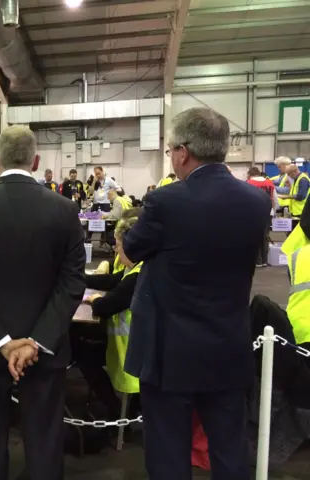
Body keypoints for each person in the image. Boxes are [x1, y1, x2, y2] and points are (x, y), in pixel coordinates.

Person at [122, 107, 271, 480]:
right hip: (228, 347)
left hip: (170, 354)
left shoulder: (166, 201)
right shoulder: (256, 202)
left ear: (183, 152)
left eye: (171, 149)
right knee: (230, 452)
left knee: (169, 454)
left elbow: (132, 251)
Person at [0, 126, 85, 480]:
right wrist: (36, 341)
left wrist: (2, 343)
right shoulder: (65, 210)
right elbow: (72, 283)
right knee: (44, 442)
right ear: (36, 161)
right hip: (46, 347)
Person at [72, 215, 142, 418]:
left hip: (131, 350)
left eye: (119, 246)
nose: (116, 251)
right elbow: (112, 280)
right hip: (131, 345)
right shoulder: (138, 268)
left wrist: (93, 300)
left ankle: (115, 413)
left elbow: (105, 306)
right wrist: (79, 279)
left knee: (83, 352)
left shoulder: (138, 276)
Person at [247, 166, 276, 267]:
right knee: (265, 236)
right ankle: (264, 260)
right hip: (268, 213)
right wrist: (273, 211)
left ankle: (257, 260)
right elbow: (275, 200)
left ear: (250, 174)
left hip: (253, 213)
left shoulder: (248, 183)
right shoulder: (270, 183)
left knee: (254, 236)